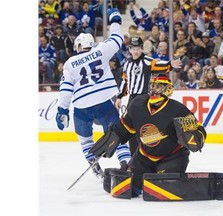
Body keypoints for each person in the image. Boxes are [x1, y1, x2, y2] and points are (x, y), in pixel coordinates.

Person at [89, 74, 207, 197]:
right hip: (143, 157)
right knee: (124, 189)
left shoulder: (178, 110)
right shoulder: (137, 104)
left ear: (167, 89)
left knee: (161, 190)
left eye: (158, 87)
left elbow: (199, 131)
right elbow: (125, 127)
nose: (154, 89)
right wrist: (112, 137)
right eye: (152, 86)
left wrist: (193, 137)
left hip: (172, 158)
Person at [55, 8, 131, 176]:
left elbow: (66, 89)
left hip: (82, 106)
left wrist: (62, 109)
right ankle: (125, 163)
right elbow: (117, 39)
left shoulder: (70, 63)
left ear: (79, 45)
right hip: (104, 101)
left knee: (85, 139)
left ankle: (96, 169)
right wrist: (115, 20)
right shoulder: (101, 50)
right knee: (118, 134)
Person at [114, 36, 182, 155]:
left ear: (141, 49)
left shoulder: (147, 61)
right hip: (132, 99)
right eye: (133, 48)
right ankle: (134, 158)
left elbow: (160, 64)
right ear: (130, 49)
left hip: (144, 99)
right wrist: (120, 96)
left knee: (143, 128)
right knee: (131, 129)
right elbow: (125, 81)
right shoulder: (127, 64)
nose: (136, 51)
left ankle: (147, 156)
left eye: (138, 48)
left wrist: (171, 64)